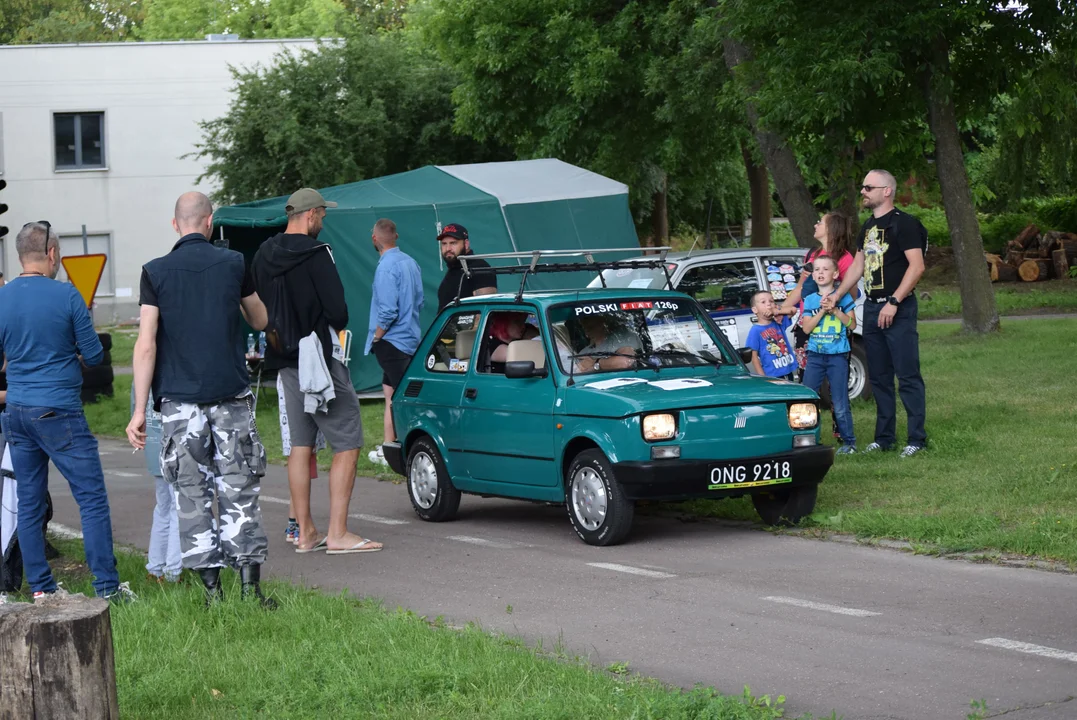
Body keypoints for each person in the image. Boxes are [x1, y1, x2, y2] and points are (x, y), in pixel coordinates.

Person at [127, 192, 276, 608]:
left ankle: (213, 595)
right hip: (229, 397)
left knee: (190, 495)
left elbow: (146, 345)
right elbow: (260, 319)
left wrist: (140, 410)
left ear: (176, 225)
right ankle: (251, 590)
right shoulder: (233, 264)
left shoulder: (154, 272)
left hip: (179, 404)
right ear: (209, 223)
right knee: (239, 487)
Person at [0, 221, 131, 603]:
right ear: (52, 254)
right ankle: (107, 587)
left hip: (18, 412)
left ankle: (41, 588)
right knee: (90, 497)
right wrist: (67, 354)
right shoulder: (67, 296)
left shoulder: (2, 297)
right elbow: (93, 354)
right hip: (59, 411)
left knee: (29, 500)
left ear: (20, 255)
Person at [253, 188, 381, 555]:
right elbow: (338, 311)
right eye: (323, 217)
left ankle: (305, 532)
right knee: (349, 439)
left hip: (283, 359)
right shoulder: (316, 253)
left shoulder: (263, 254)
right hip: (319, 360)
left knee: (300, 444)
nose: (323, 223)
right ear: (310, 215)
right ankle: (338, 533)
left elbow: (258, 304)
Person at [829, 169, 927, 457]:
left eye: (869, 187)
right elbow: (857, 267)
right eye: (862, 187)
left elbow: (917, 267)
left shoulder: (905, 224)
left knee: (907, 375)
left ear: (887, 191)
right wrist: (836, 294)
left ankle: (916, 440)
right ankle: (884, 438)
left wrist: (894, 302)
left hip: (898, 307)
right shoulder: (868, 227)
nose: (863, 192)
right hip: (872, 307)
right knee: (880, 376)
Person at [365, 219, 423, 467]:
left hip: (391, 341)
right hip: (410, 337)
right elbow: (420, 300)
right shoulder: (411, 262)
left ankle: (410, 453)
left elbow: (387, 311)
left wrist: (377, 336)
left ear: (374, 239)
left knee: (403, 399)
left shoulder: (385, 268)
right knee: (390, 393)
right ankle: (389, 449)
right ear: (396, 236)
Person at [780, 211, 859, 376]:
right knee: (807, 373)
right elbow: (801, 288)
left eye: (820, 223)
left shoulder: (845, 259)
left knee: (833, 375)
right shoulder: (812, 255)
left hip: (832, 324)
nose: (815, 225)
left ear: (831, 229)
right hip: (808, 321)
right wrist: (782, 309)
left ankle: (832, 402)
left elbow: (851, 295)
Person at [799, 256, 857, 454]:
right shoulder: (810, 299)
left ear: (835, 274)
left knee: (840, 400)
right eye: (817, 269)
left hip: (838, 356)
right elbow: (806, 329)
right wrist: (822, 312)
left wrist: (835, 310)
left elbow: (853, 325)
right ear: (813, 275)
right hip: (815, 356)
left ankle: (849, 442)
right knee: (807, 398)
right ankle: (806, 439)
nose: (820, 272)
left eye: (825, 269)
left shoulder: (844, 298)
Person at [130, 385, 181, 584]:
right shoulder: (172, 366)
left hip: (153, 446)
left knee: (163, 507)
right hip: (175, 448)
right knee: (178, 508)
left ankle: (156, 567)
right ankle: (173, 572)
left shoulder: (140, 374)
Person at [436, 223, 497, 311]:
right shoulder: (453, 269)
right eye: (444, 244)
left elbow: (486, 310)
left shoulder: (479, 268)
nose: (448, 248)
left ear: (466, 244)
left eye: (453, 243)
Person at [745, 291, 796, 380]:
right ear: (755, 310)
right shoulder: (755, 330)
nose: (768, 304)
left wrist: (776, 311)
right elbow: (754, 358)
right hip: (772, 375)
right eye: (763, 302)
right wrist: (764, 378)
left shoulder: (778, 322)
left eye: (771, 301)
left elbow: (793, 310)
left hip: (788, 370)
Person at [575, 314, 640, 372]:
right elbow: (576, 372)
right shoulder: (584, 353)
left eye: (591, 327)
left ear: (603, 322)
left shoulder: (622, 337)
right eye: (585, 328)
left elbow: (625, 361)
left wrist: (596, 363)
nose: (587, 333)